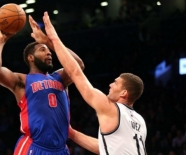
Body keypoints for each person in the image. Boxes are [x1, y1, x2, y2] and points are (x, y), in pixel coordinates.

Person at [42, 11, 147, 154]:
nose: (110, 85)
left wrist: (53, 39)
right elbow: (104, 148)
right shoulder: (140, 121)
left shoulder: (111, 108)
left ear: (124, 93)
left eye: (116, 83)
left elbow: (75, 72)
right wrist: (71, 133)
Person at [0, 15, 84, 154]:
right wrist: (0, 41)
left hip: (61, 149)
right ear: (30, 58)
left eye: (49, 51)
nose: (49, 53)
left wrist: (49, 42)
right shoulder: (22, 80)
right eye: (43, 50)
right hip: (34, 147)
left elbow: (78, 66)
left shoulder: (60, 78)